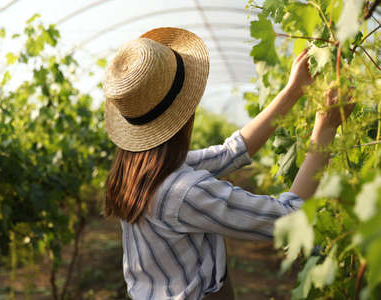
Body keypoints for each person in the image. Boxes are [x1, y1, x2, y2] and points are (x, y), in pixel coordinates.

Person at [102, 27, 353, 300]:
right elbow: (289, 218)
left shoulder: (143, 169)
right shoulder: (184, 191)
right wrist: (326, 128)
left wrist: (293, 91)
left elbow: (230, 153)